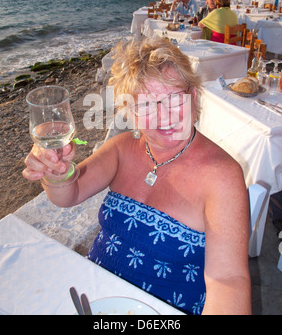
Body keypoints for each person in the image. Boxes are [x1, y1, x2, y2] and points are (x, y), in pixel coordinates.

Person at [23, 36, 251, 316]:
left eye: (173, 97)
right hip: (95, 301)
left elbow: (229, 281)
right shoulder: (120, 149)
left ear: (193, 95)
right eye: (145, 105)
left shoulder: (222, 176)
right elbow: (68, 195)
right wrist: (55, 171)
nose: (162, 115)